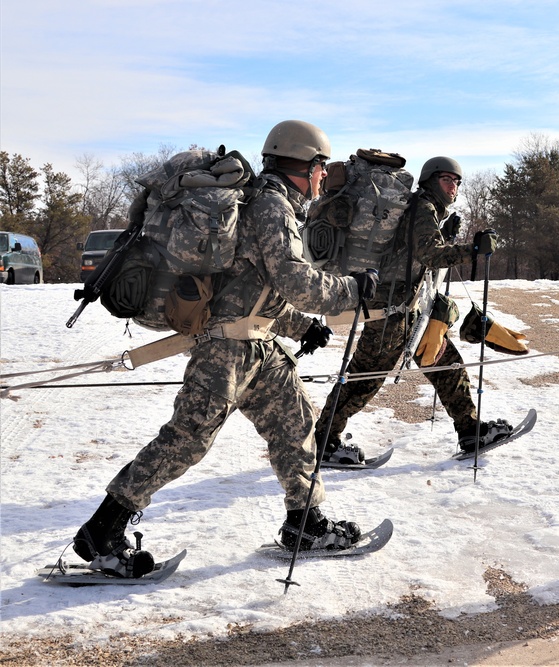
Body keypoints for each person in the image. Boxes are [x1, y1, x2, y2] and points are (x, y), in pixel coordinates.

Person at [72, 120, 381, 577]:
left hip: (260, 347)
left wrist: (299, 328)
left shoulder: (271, 206)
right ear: (305, 164)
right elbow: (294, 280)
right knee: (186, 440)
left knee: (296, 426)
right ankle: (102, 532)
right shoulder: (272, 206)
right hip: (226, 351)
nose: (322, 177)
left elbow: (253, 285)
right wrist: (351, 290)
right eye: (321, 167)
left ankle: (306, 523)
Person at [314, 156, 517, 465]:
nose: (454, 187)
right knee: (364, 378)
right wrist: (472, 250)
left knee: (442, 358)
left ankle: (470, 429)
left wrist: (446, 233)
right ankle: (323, 442)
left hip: (409, 307)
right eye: (447, 180)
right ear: (430, 182)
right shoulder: (422, 208)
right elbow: (430, 255)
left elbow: (414, 251)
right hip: (392, 311)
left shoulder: (428, 210)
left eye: (457, 181)